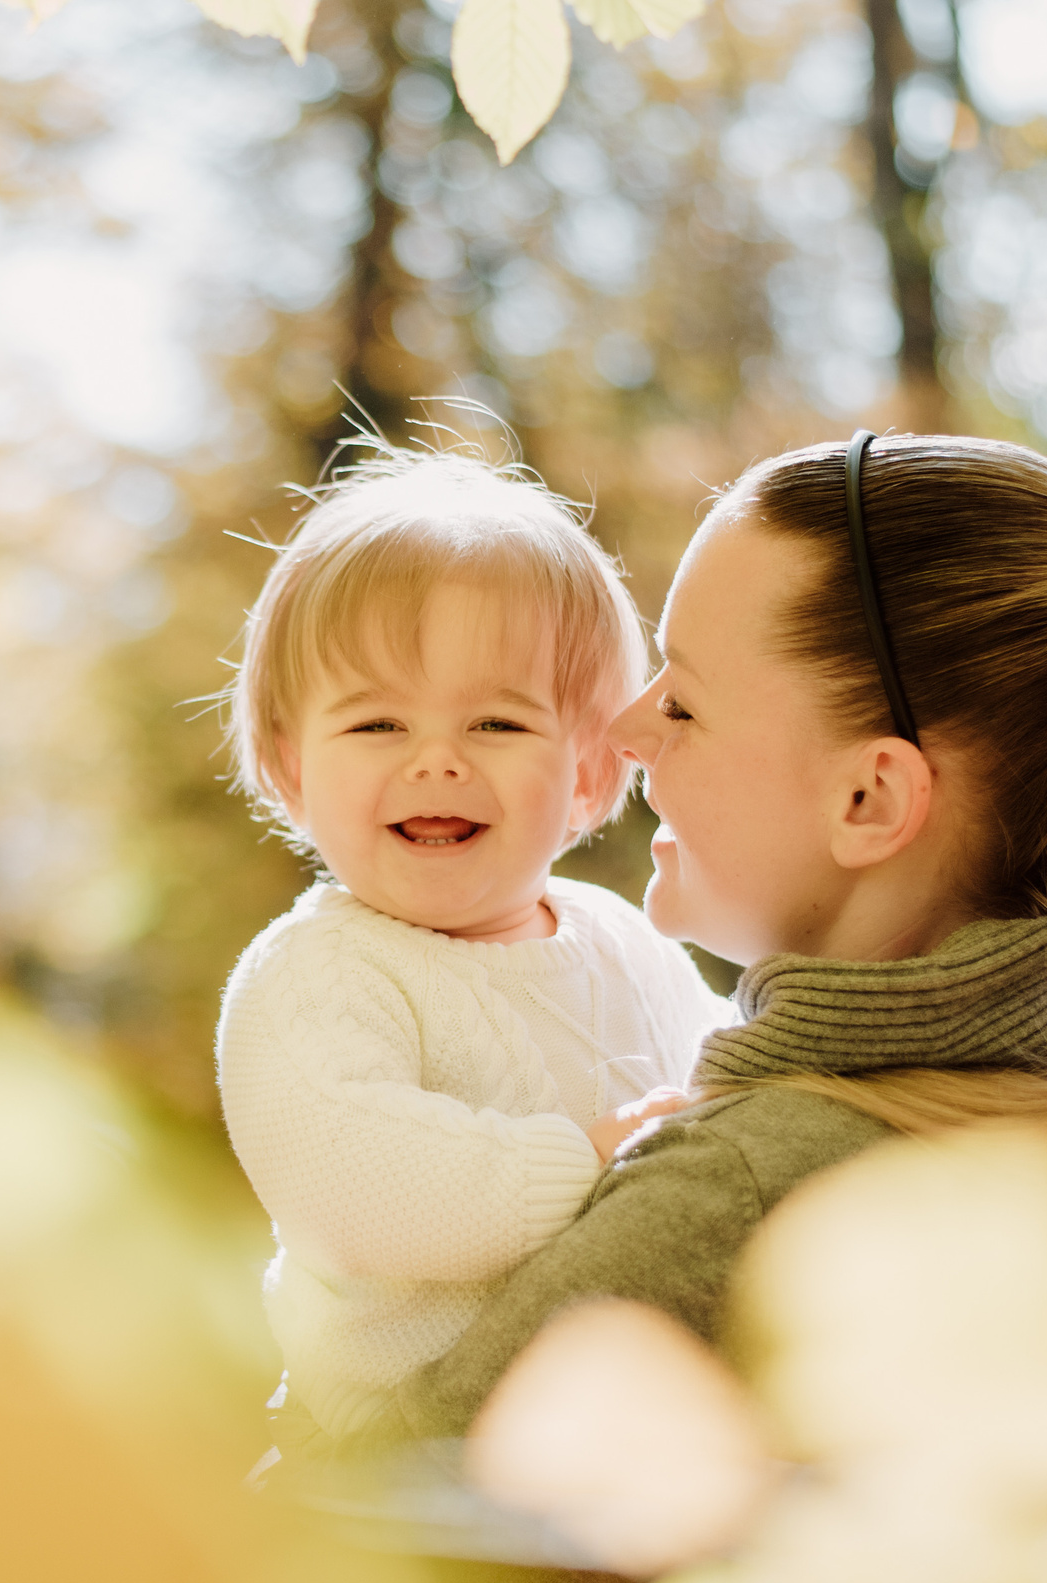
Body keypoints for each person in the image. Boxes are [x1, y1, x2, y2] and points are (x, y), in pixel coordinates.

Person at [334, 431, 1047, 1538]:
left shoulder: (748, 1185)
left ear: (870, 801)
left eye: (682, 703)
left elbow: (345, 1574)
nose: (625, 727)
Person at [216, 448, 734, 1443]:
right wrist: (584, 1159)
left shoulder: (623, 939)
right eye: (376, 722)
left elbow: (717, 1064)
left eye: (496, 721)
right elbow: (355, 1178)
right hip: (393, 1457)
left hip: (596, 1427)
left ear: (586, 772)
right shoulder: (315, 976)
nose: (437, 757)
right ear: (290, 766)